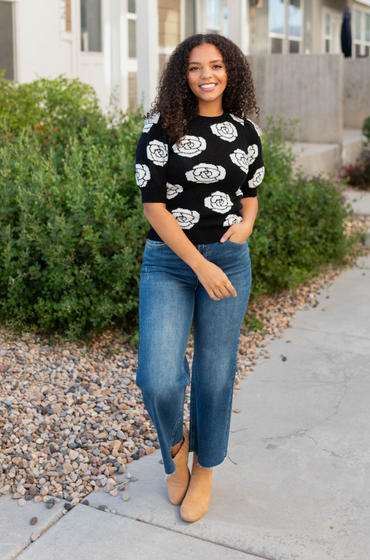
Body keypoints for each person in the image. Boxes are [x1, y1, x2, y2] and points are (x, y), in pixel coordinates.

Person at [134, 33, 265, 523]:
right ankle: (176, 447)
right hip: (171, 263)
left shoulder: (245, 131)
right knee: (157, 377)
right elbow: (154, 208)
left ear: (231, 71)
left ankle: (205, 468)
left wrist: (246, 225)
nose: (206, 75)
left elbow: (249, 197)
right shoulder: (161, 128)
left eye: (216, 65)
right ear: (181, 76)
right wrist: (198, 264)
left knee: (215, 375)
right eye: (194, 67)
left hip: (229, 262)